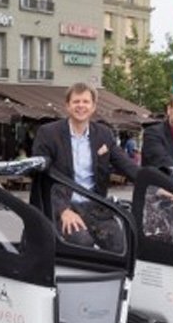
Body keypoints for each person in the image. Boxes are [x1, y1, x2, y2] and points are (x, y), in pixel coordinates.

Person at [31, 82, 137, 251]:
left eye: (86, 102)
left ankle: (112, 278)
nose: (81, 106)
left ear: (93, 106)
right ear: (67, 106)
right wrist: (62, 210)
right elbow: (41, 176)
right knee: (82, 242)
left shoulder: (103, 133)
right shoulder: (48, 133)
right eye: (76, 101)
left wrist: (156, 184)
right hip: (63, 205)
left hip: (94, 207)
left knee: (120, 246)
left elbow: (126, 165)